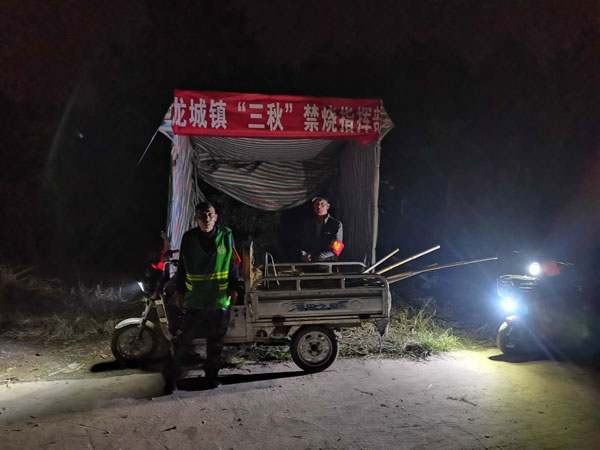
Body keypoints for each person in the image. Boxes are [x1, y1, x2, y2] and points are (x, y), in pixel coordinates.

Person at [163, 202, 240, 394]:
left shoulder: (226, 235)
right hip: (194, 300)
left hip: (218, 299)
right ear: (195, 218)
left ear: (216, 217)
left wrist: (234, 287)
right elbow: (182, 266)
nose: (206, 218)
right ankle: (171, 380)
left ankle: (211, 377)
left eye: (209, 214)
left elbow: (233, 263)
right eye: (202, 215)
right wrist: (180, 291)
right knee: (183, 342)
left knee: (215, 343)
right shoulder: (189, 238)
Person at [299, 196, 344, 263]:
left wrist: (313, 256)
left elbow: (336, 249)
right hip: (309, 263)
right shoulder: (308, 224)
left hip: (328, 263)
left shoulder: (336, 224)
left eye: (322, 204)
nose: (319, 207)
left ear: (328, 206)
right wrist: (304, 254)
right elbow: (304, 243)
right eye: (317, 204)